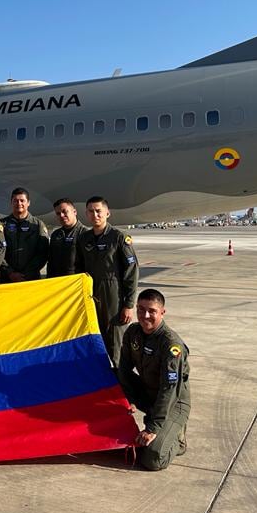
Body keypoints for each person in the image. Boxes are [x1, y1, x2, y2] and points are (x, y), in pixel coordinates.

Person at [117, 289, 190, 471]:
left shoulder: (171, 345)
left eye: (152, 311)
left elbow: (169, 390)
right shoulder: (133, 332)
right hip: (148, 393)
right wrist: (127, 400)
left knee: (152, 459)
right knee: (110, 373)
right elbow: (124, 370)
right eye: (140, 309)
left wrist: (152, 428)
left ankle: (178, 440)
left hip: (173, 402)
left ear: (162, 313)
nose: (145, 315)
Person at [74, 196, 138, 366]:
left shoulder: (119, 238)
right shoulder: (84, 239)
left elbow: (131, 272)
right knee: (95, 339)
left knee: (115, 344)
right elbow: (79, 270)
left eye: (98, 211)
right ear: (86, 214)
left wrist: (129, 305)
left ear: (107, 213)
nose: (95, 214)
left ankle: (121, 383)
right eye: (91, 211)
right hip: (91, 296)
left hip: (113, 297)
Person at [0, 187, 50, 282]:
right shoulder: (1, 224)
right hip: (8, 278)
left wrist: (27, 273)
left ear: (28, 203)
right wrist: (10, 272)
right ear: (11, 203)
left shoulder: (37, 225)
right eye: (15, 201)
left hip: (31, 278)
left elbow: (43, 253)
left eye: (22, 200)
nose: (19, 204)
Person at [46, 198, 87, 278]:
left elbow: (90, 264)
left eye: (65, 211)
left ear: (74, 212)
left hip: (75, 283)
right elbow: (51, 262)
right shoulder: (55, 235)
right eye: (58, 213)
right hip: (57, 283)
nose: (61, 215)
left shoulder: (85, 234)